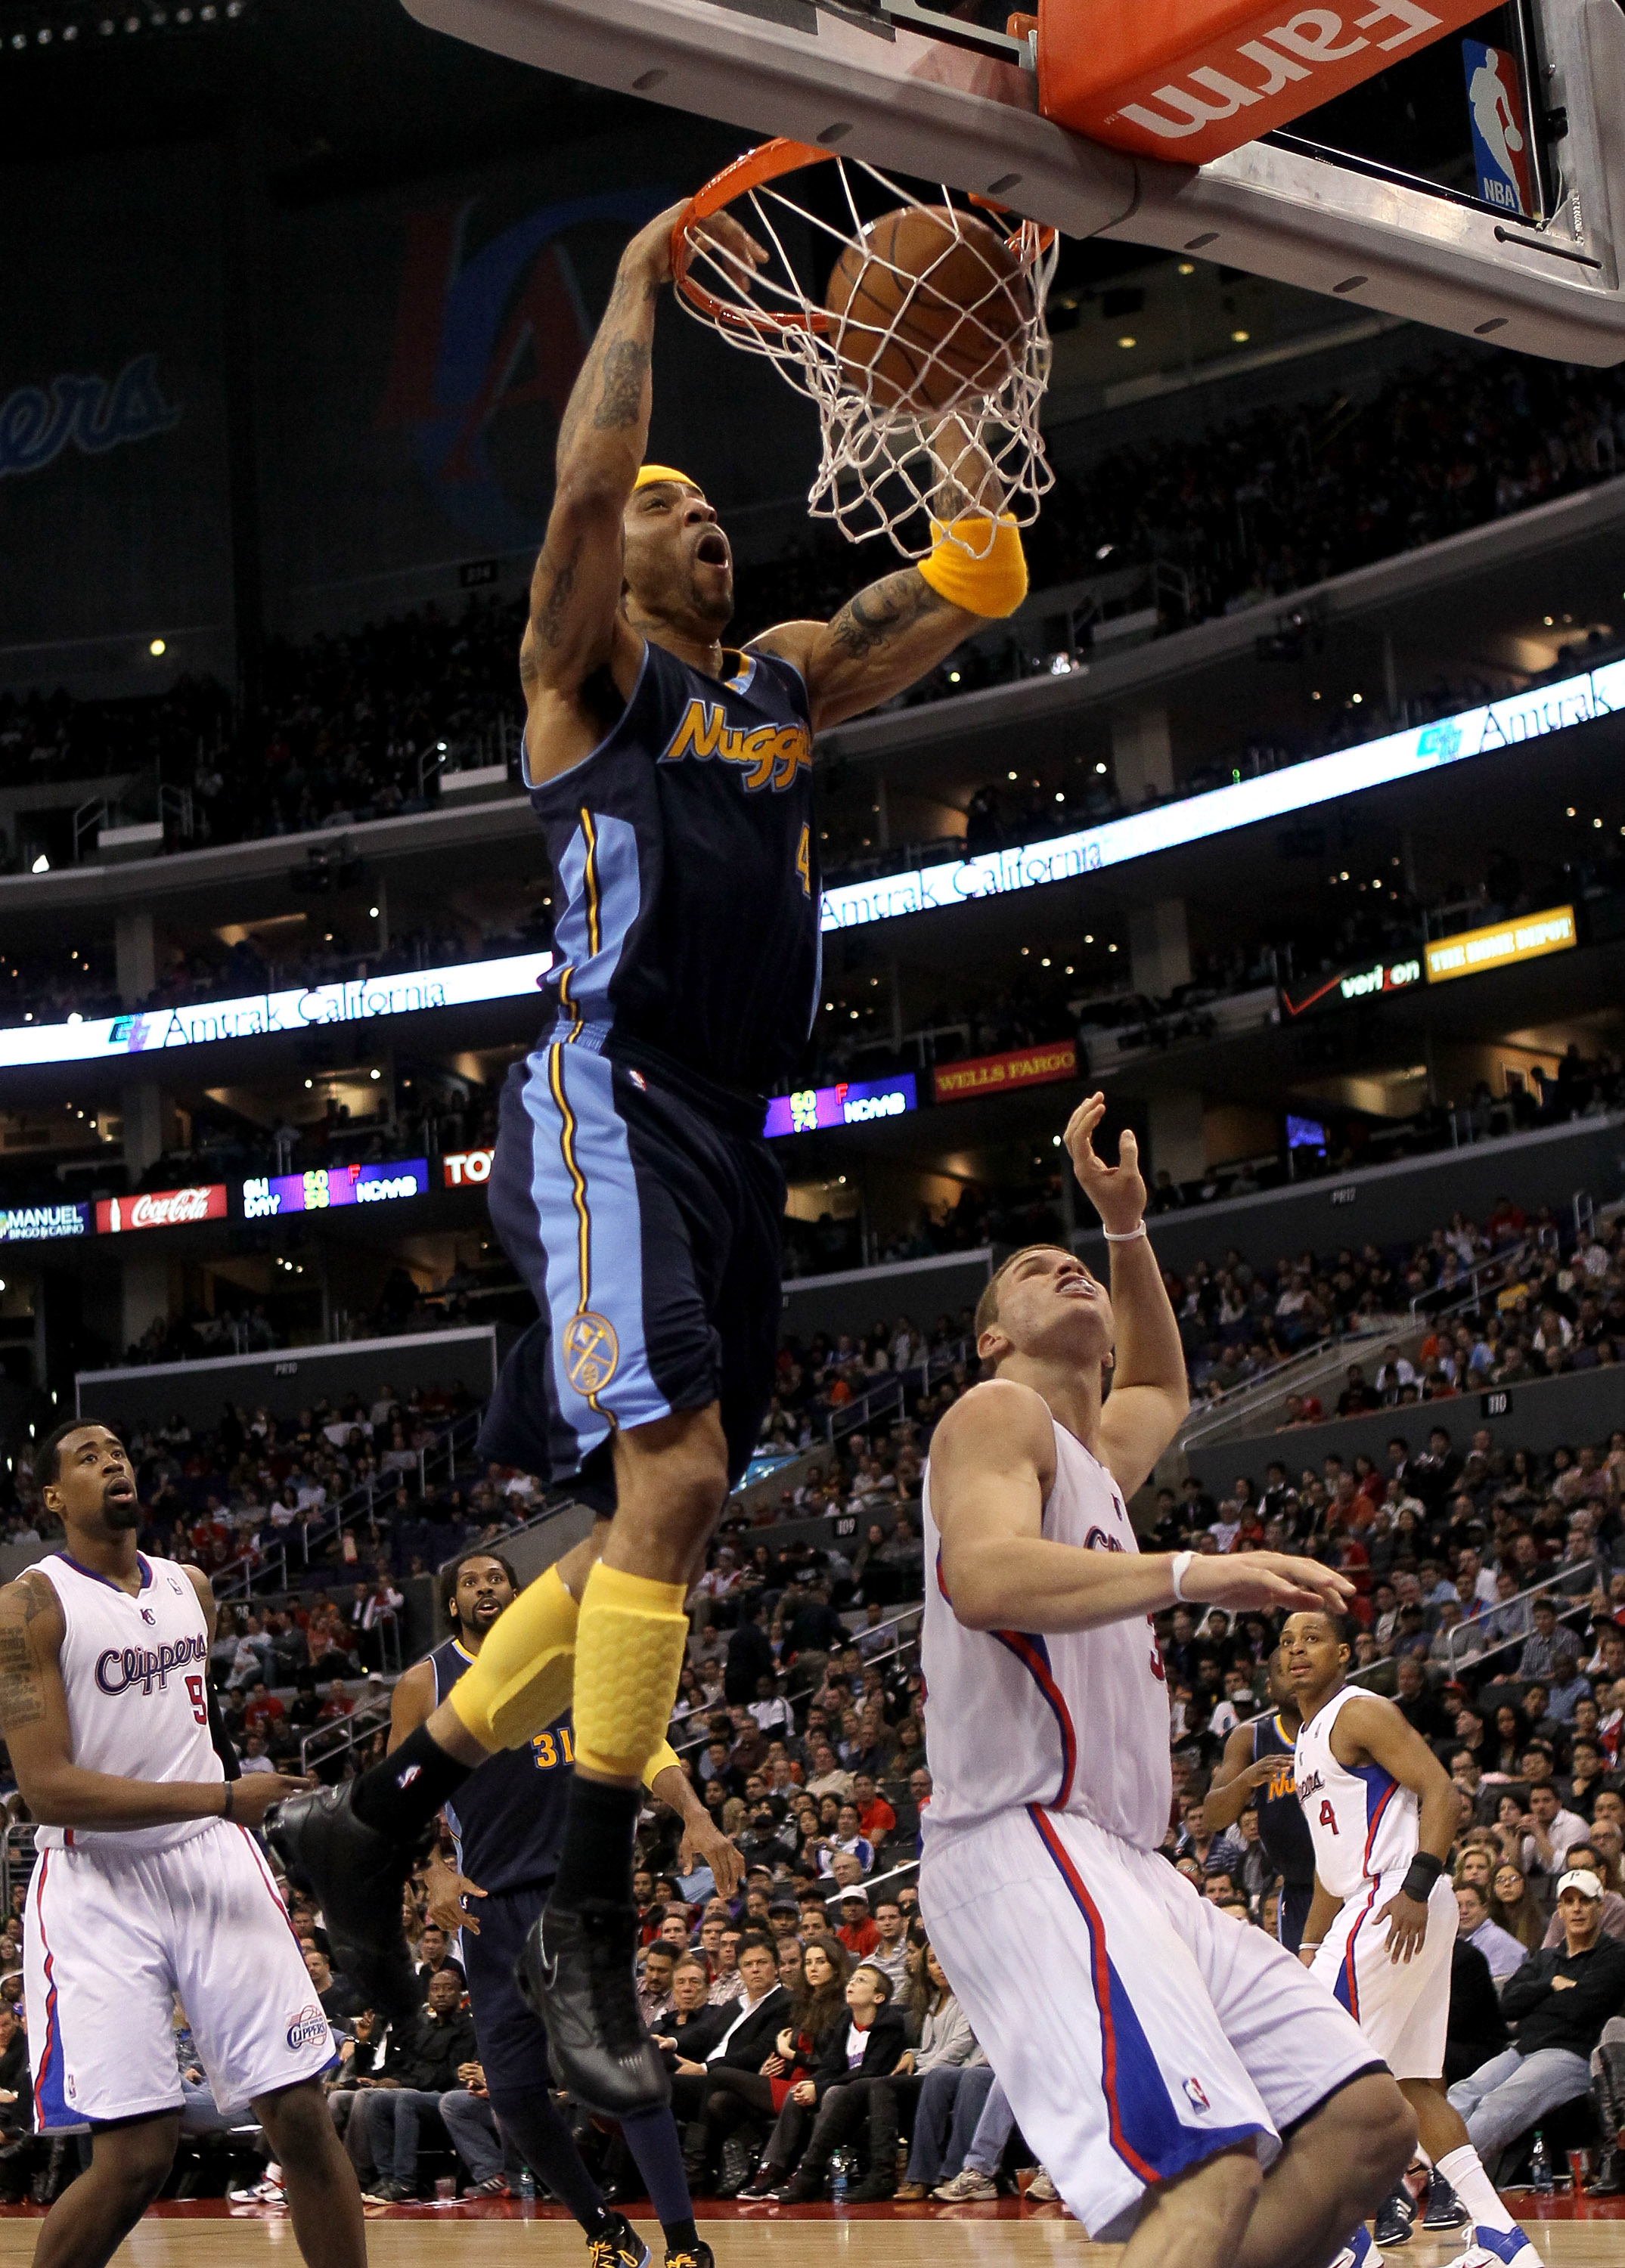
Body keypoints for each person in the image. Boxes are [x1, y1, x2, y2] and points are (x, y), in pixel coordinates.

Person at [269, 179, 1035, 2123]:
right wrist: (629, 283)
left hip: (728, 1132)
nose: (699, 518)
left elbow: (974, 578)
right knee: (679, 1477)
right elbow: (585, 491)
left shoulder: (781, 674)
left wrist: (959, 382)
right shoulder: (586, 679)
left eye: (710, 507)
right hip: (601, 1090)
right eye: (668, 506)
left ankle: (380, 1811)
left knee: (649, 1525)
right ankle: (586, 1923)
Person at [916, 1098, 1415, 2268]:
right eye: (1034, 1271)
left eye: (1078, 1267)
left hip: (1131, 1865)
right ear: (991, 1341)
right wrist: (1191, 1572)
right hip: (1026, 1836)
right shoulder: (994, 1415)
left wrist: (1126, 1230)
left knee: (1362, 2127)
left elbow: (1160, 1390)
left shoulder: (1095, 1461)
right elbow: (981, 1577)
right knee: (1209, 2168)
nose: (1068, 1269)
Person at [0, 1421, 365, 2268]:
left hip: (209, 1857)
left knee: (301, 2116)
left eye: (118, 1452)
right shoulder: (28, 1606)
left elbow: (187, 1725)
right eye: (88, 1458)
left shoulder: (190, 1587)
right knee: (136, 2158)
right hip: (97, 1877)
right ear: (54, 1498)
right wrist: (226, 1796)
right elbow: (49, 1789)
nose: (112, 1463)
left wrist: (230, 1804)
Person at [395, 1549, 732, 2268]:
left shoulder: (569, 1660)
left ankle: (685, 2246)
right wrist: (432, 1869)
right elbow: (398, 1790)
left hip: (576, 1895)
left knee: (620, 2070)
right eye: (469, 1582)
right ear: (452, 1605)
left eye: (496, 1578)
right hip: (489, 1911)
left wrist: (695, 1813)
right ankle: (605, 2231)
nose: (486, 1587)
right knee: (514, 2095)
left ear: (518, 1594)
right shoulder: (426, 1682)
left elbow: (643, 1741)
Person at [1285, 1606, 1541, 2263]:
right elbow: (1330, 1863)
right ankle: (1500, 2236)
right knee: (1415, 2086)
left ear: (1344, 1654)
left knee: (1307, 2063)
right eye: (1285, 1641)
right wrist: (1309, 1946)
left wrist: (1416, 1886)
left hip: (1396, 1896)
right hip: (1388, 1899)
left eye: (1312, 1638)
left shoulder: (1357, 1711)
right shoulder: (1305, 1741)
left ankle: (1346, 2239)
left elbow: (1441, 1791)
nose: (1295, 1649)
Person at [1447, 1870, 1625, 2162]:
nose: (1577, 1909)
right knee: (1463, 2093)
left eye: (1585, 1901)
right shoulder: (1546, 1959)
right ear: (1560, 1910)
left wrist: (1535, 2004)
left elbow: (1581, 2007)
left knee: (1497, 2104)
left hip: (1571, 2055)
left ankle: (1443, 2176)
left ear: (1600, 1907)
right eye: (1569, 1902)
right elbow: (1508, 2004)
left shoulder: (1615, 1957)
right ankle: (1412, 2168)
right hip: (1523, 2049)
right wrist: (1550, 1985)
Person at [1204, 1651, 1316, 1949]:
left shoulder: (1343, 1726)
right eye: (1284, 1671)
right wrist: (1246, 1781)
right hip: (1296, 1889)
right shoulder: (1250, 1738)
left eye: (1300, 1669)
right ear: (1268, 1686)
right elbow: (1212, 1817)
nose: (1294, 1677)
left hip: (1349, 1882)